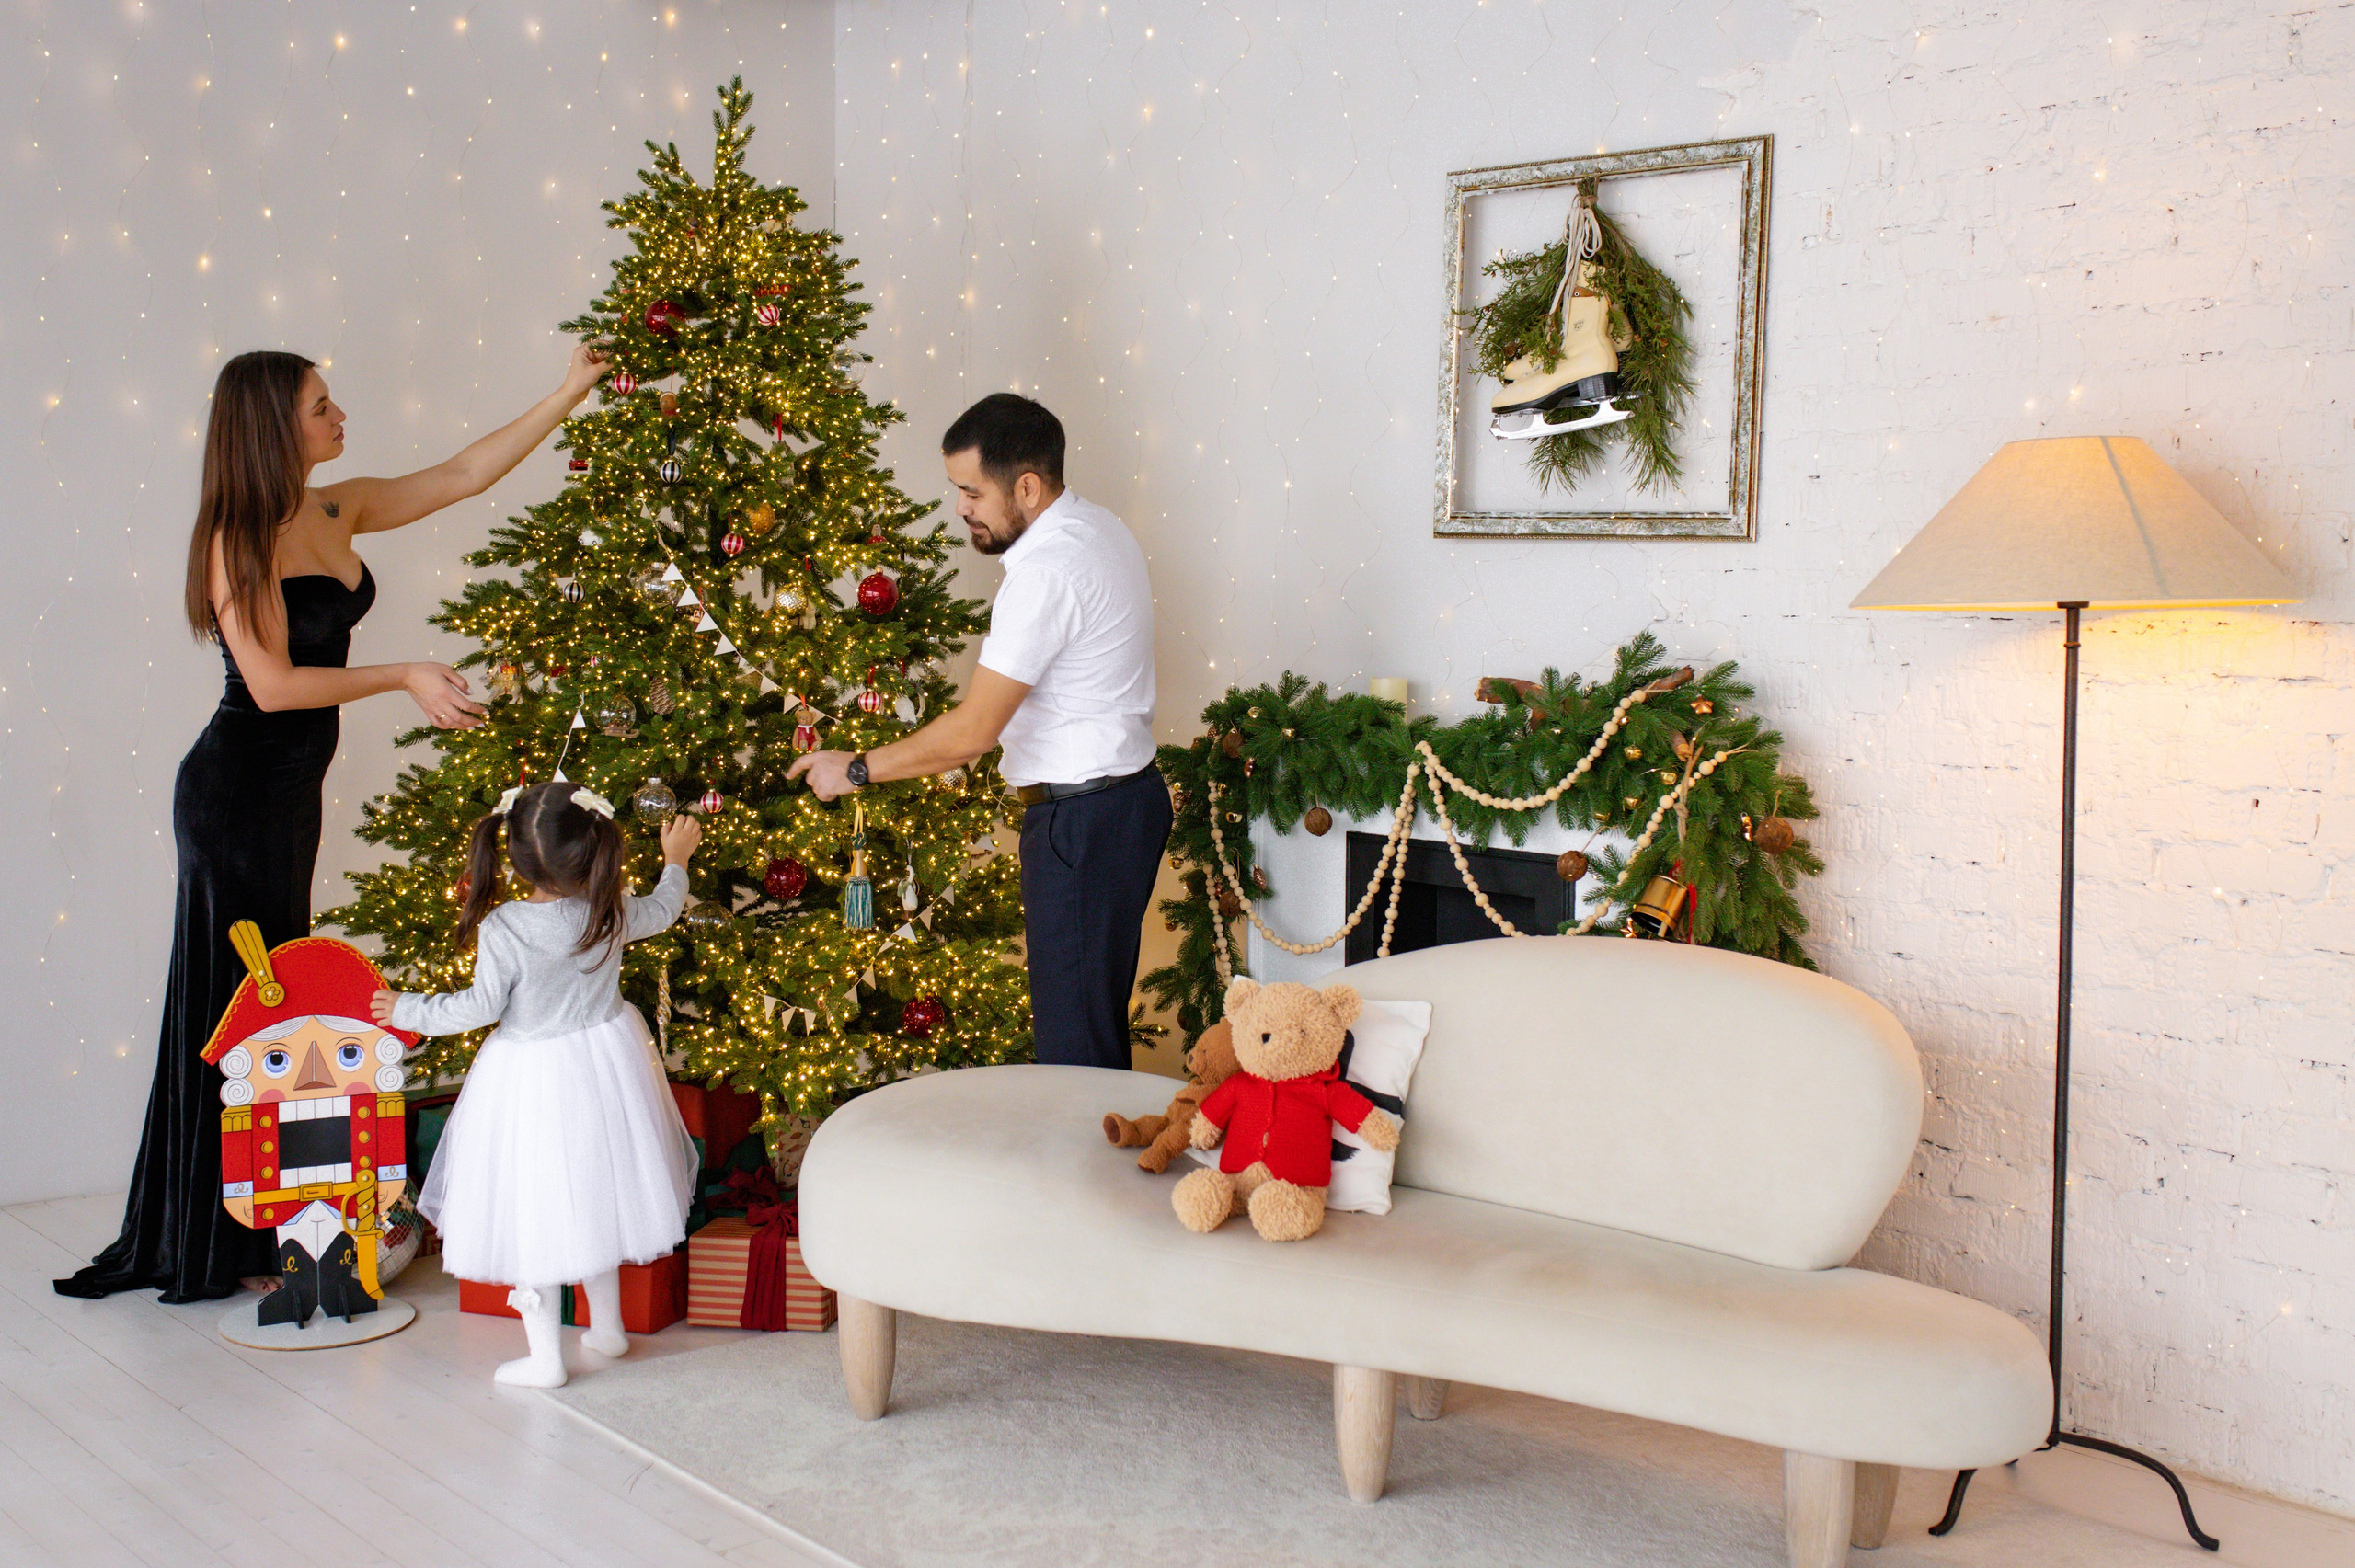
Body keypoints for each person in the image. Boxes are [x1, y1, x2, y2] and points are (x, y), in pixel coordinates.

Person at [58, 343, 610, 1304]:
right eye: (321, 405)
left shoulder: (334, 505)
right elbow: (270, 687)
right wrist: (402, 674)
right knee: (242, 1004)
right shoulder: (234, 538)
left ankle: (267, 1229)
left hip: (286, 797)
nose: (339, 413)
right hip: (232, 795)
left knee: (277, 994)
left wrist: (566, 392)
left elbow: (461, 473)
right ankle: (205, 1234)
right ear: (276, 423)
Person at [791, 393, 1166, 1070]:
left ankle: (1078, 1176)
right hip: (1123, 803)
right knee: (1089, 1023)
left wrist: (855, 768)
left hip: (1080, 822)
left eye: (972, 490)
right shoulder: (1099, 526)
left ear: (1027, 485)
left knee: (1074, 1048)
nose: (961, 506)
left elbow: (972, 732)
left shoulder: (1048, 571)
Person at [367, 783, 704, 1389]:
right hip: (606, 1066)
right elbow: (666, 907)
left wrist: (407, 1009)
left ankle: (547, 1359)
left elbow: (478, 1006)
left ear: (516, 858)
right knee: (597, 1196)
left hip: (530, 1081)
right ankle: (608, 1330)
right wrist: (675, 859)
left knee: (539, 1209)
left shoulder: (508, 926)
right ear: (593, 847)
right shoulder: (610, 906)